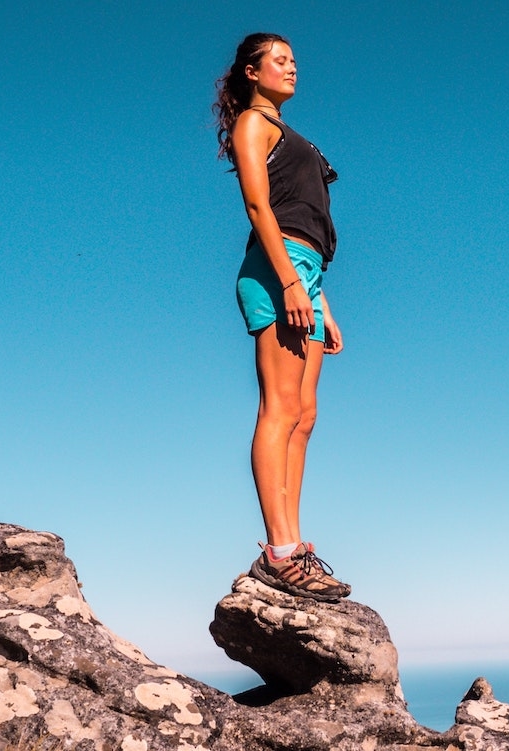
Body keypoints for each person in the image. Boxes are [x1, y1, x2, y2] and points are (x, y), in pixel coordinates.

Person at [215, 32, 350, 601]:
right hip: (279, 268)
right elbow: (258, 205)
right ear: (251, 71)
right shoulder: (253, 123)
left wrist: (321, 302)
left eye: (294, 60)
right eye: (279, 60)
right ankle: (280, 551)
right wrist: (291, 282)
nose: (291, 67)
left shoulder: (293, 134)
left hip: (306, 273)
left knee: (305, 415)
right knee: (280, 407)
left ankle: (296, 545)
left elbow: (308, 216)